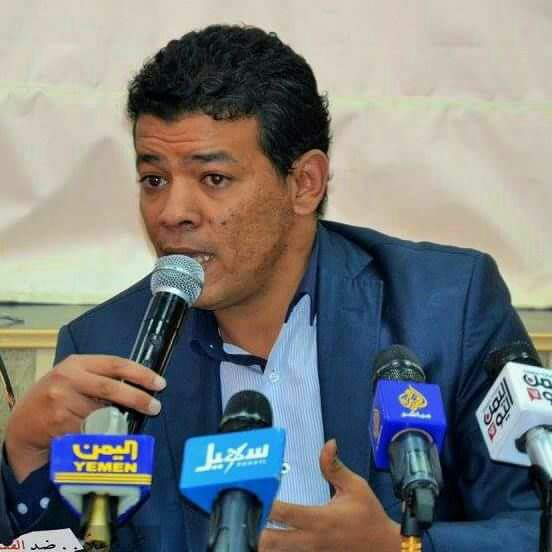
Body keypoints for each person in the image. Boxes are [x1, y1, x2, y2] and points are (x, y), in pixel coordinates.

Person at [0, 24, 540, 551]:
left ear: (305, 183)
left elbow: (534, 522)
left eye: (213, 178)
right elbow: (79, 538)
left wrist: (401, 547)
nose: (172, 212)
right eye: (154, 179)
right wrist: (24, 458)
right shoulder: (108, 348)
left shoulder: (446, 308)